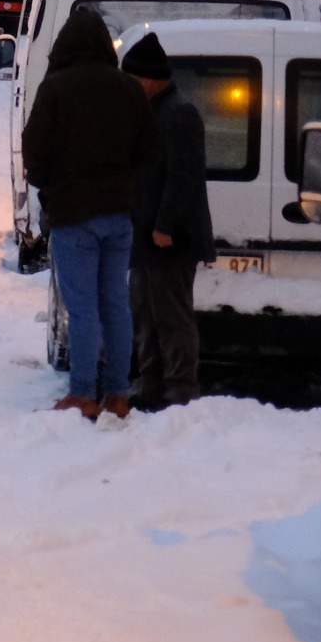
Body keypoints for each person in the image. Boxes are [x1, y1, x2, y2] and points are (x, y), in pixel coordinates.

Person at [21, 8, 153, 421]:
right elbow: (149, 150)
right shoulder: (128, 88)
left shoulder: (56, 88)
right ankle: (117, 395)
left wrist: (49, 185)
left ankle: (82, 393)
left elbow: (34, 151)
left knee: (82, 308)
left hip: (73, 214)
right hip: (119, 215)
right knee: (115, 304)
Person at [121, 32, 216, 409]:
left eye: (132, 78)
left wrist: (164, 225)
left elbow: (184, 176)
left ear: (148, 79)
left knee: (172, 317)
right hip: (145, 236)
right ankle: (151, 385)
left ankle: (180, 390)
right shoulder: (147, 113)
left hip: (171, 239)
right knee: (145, 313)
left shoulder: (180, 115)